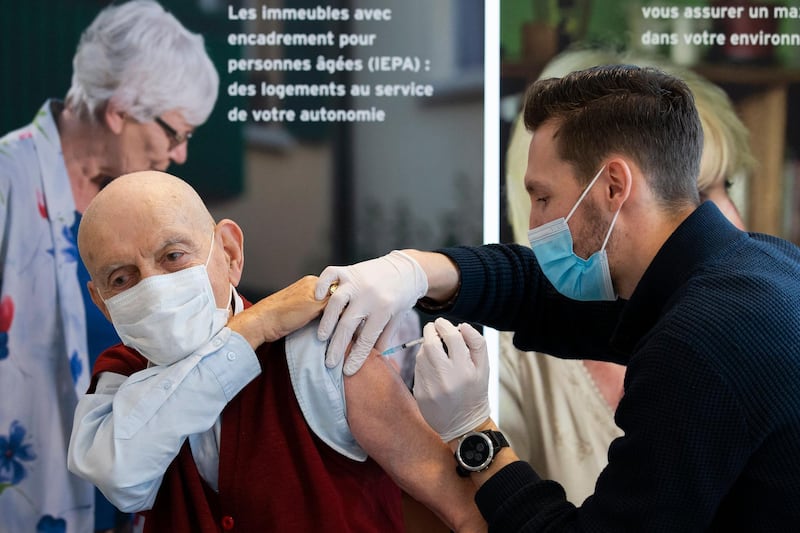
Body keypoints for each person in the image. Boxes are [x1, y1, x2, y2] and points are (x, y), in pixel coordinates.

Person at [314, 65, 800, 530]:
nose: (534, 224)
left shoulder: (699, 342)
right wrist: (419, 272)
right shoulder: (765, 266)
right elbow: (544, 297)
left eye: (543, 198)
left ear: (613, 186)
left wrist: (474, 431)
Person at [67, 171, 486, 533]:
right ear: (102, 303)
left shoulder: (319, 348)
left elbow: (465, 510)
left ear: (229, 253)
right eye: (122, 279)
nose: (153, 288)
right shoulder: (121, 376)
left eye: (174, 256)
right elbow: (120, 474)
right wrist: (252, 328)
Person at [499, 48, 755, 503]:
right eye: (692, 196)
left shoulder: (722, 336)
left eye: (725, 187)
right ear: (613, 190)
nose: (729, 222)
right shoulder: (508, 365)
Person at [0, 1, 219, 531]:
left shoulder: (143, 206)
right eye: (175, 134)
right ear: (121, 109)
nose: (181, 154)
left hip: (121, 498)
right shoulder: (7, 178)